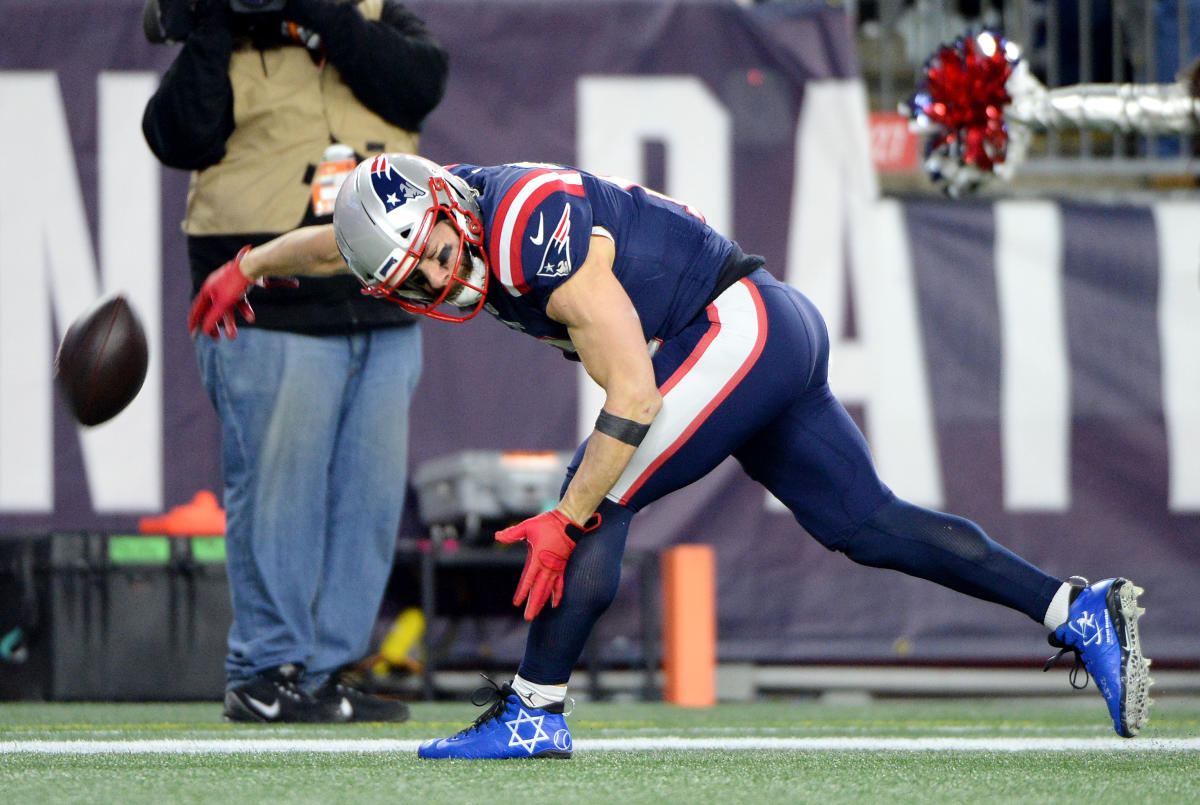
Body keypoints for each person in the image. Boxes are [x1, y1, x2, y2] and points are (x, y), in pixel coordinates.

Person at [188, 154, 1152, 752]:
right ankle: (1076, 608)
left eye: (436, 254)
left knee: (593, 490)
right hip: (764, 325)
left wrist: (569, 521)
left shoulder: (529, 229)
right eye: (415, 278)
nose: (440, 279)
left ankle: (535, 710)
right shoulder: (449, 206)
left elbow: (636, 398)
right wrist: (249, 266)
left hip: (738, 329)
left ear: (446, 209)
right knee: (868, 523)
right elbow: (340, 246)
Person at [142, 1, 447, 722]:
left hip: (386, 294)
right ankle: (264, 668)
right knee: (279, 495)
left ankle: (327, 672)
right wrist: (220, 22)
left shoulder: (368, 16)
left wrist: (319, 14)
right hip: (266, 298)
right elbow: (178, 132)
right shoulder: (222, 32)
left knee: (368, 503)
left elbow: (420, 83)